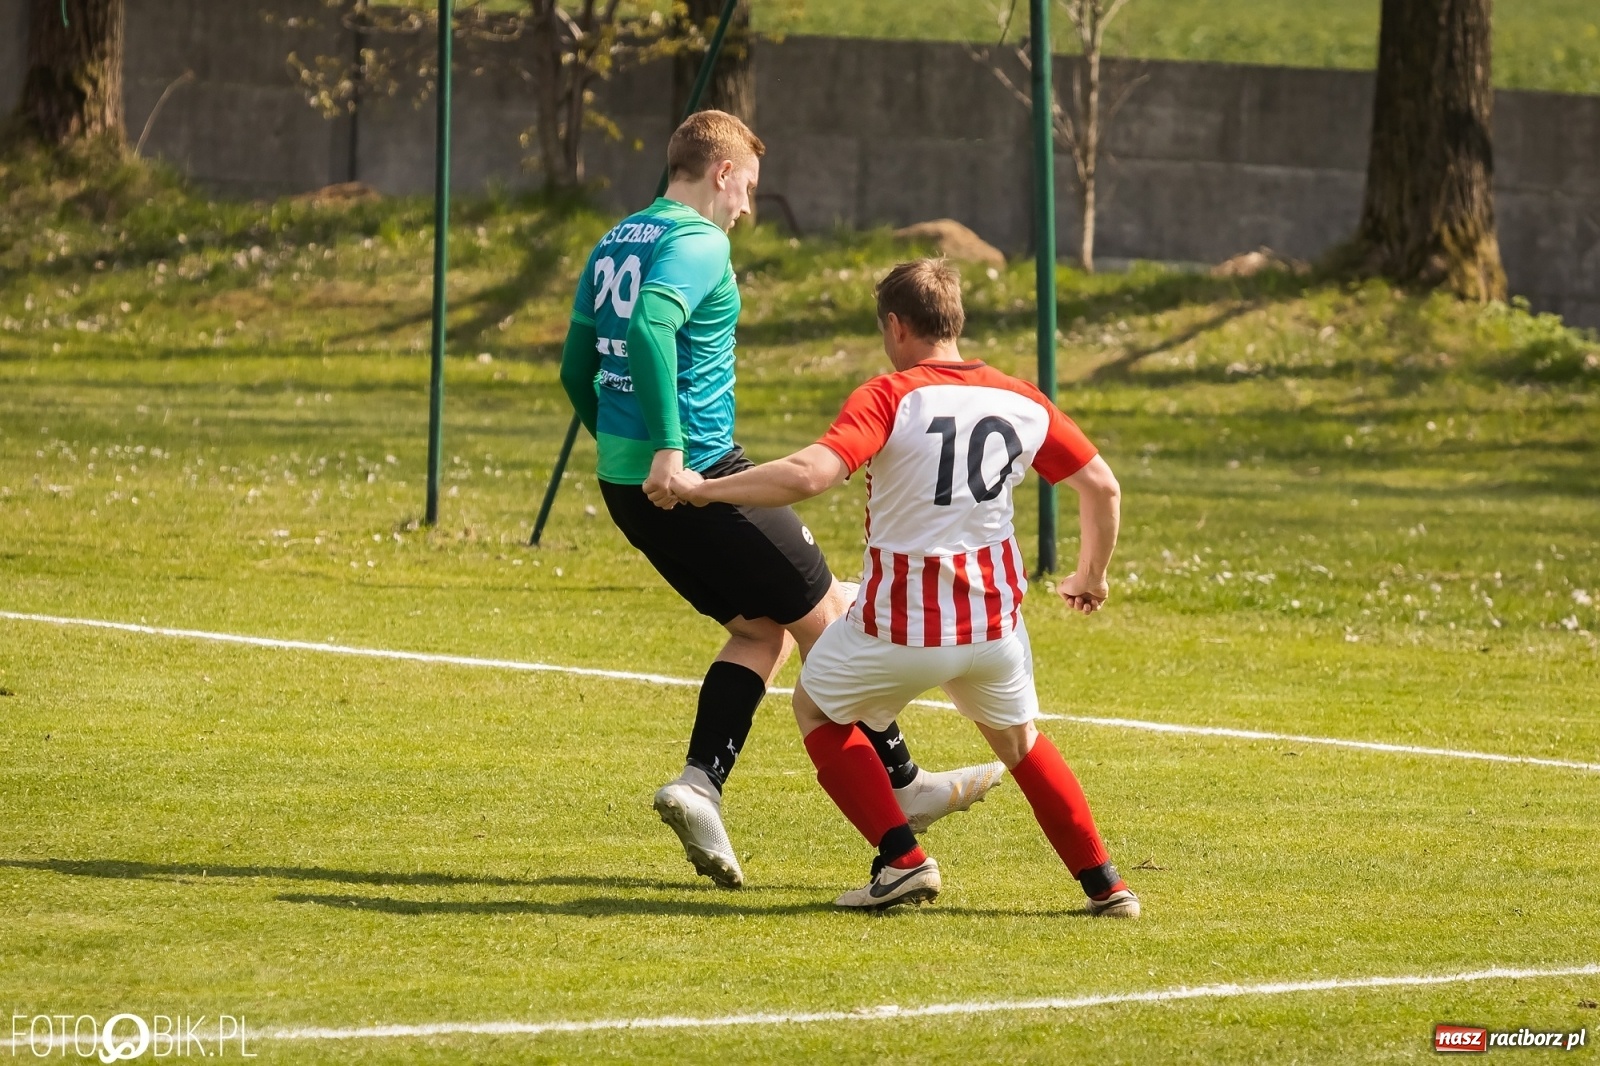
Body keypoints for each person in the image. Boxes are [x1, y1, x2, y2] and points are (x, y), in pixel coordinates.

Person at [557, 113, 1004, 890]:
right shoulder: (698, 242)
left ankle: (699, 785)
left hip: (628, 484)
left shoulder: (618, 238)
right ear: (722, 172)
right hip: (697, 471)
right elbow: (653, 329)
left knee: (760, 630)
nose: (747, 209)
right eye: (749, 189)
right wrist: (668, 446)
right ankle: (901, 795)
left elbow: (575, 367)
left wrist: (626, 449)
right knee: (827, 620)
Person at [670, 258, 1140, 917]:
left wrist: (702, 489)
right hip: (994, 628)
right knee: (1021, 741)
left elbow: (809, 474)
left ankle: (902, 861)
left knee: (816, 708)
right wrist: (1092, 574)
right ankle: (1106, 885)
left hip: (900, 623)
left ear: (896, 325)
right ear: (955, 321)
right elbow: (1102, 486)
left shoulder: (891, 395)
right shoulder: (1021, 398)